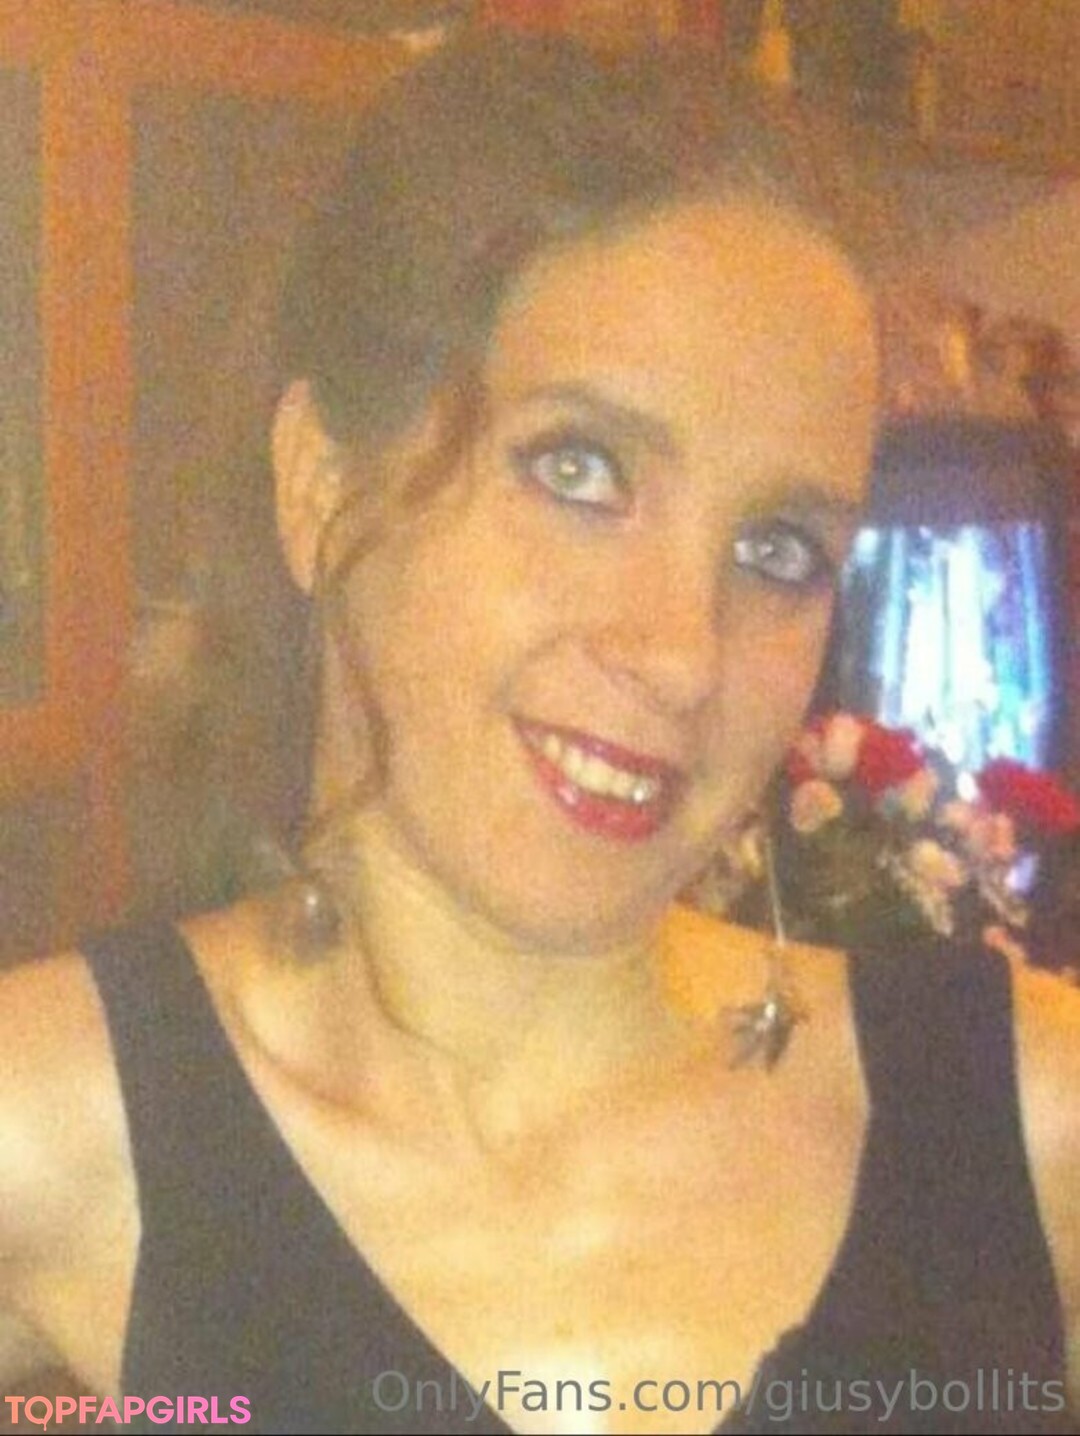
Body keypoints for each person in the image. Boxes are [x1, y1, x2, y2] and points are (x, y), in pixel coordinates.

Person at [1, 29, 1078, 1436]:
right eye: (579, 470)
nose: (681, 654)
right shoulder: (54, 1132)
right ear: (320, 485)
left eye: (778, 549)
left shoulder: (1026, 1122)